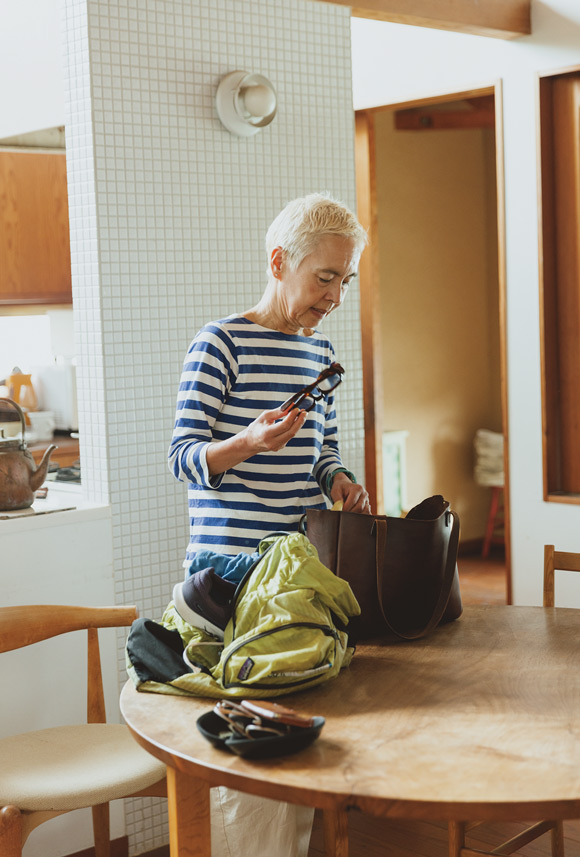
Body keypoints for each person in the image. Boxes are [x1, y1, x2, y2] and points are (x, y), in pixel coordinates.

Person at [168, 192, 370, 857]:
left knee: (299, 746)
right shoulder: (220, 343)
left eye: (346, 279)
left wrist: (337, 479)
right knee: (252, 758)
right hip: (230, 579)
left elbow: (323, 452)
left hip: (297, 574)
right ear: (280, 261)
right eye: (325, 277)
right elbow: (184, 458)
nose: (337, 295)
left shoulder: (321, 353)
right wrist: (247, 443)